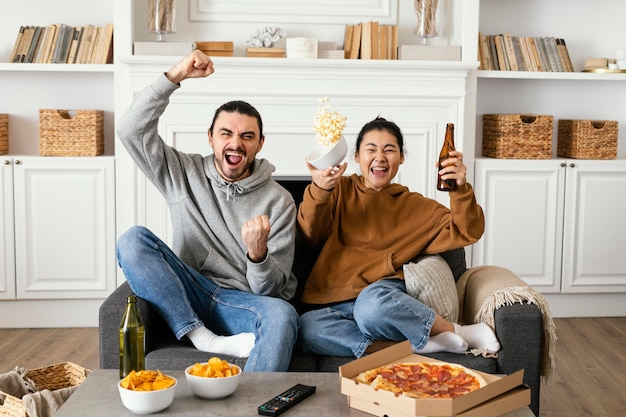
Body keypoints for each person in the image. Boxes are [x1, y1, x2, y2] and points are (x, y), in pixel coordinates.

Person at [115, 50, 299, 372]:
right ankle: (204, 338)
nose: (236, 143)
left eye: (247, 136)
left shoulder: (279, 201)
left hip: (240, 303)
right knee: (132, 240)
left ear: (260, 143)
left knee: (283, 315)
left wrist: (257, 256)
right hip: (190, 293)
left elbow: (270, 293)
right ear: (211, 138)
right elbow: (131, 129)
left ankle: (256, 407)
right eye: (226, 133)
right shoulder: (182, 172)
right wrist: (175, 76)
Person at [297, 116, 501, 359]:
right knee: (308, 328)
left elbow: (468, 230)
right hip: (332, 302)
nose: (380, 157)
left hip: (380, 297)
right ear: (356, 157)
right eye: (370, 149)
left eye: (389, 150)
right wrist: (320, 189)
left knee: (370, 307)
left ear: (401, 158)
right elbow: (310, 233)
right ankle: (418, 345)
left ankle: (459, 331)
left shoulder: (415, 206)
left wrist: (460, 190)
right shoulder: (338, 189)